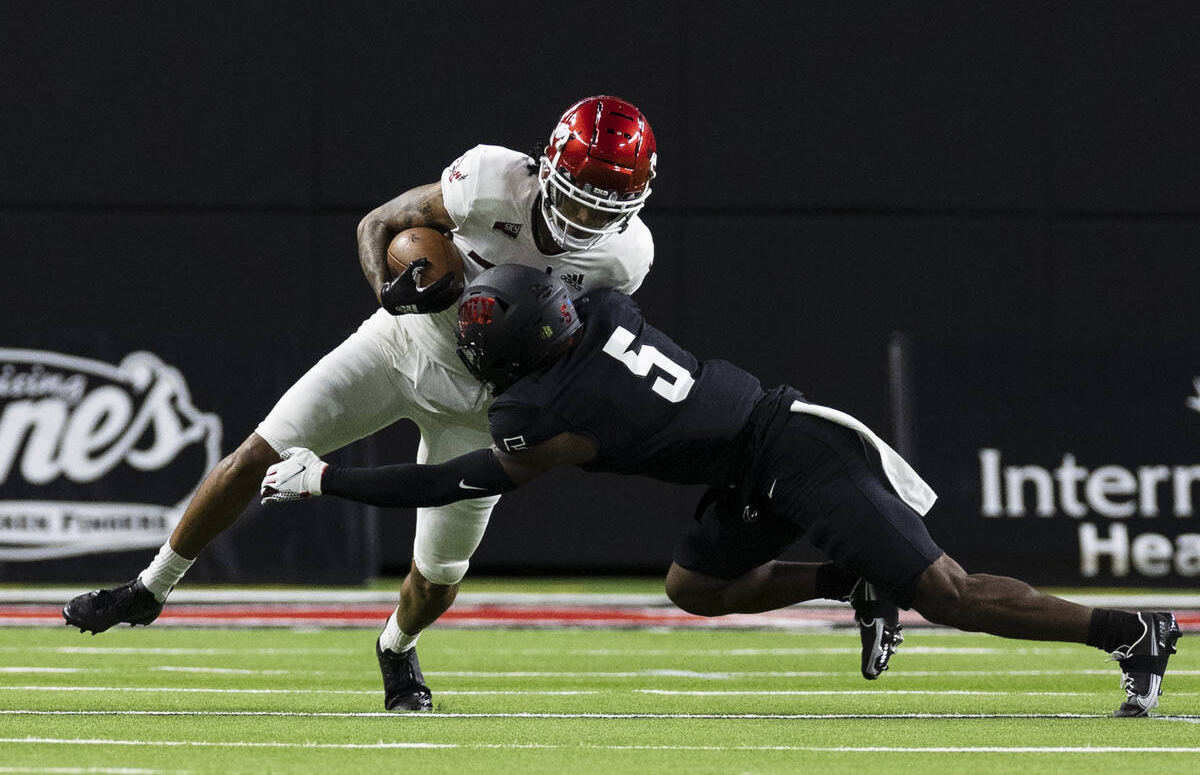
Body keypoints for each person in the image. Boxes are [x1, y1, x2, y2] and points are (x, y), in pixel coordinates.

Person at [260, 264, 1183, 718]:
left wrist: (332, 477)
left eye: (483, 352)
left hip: (802, 454)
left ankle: (1130, 632)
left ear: (522, 357)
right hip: (754, 459)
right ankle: (846, 581)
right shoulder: (601, 312)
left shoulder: (548, 408)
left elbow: (457, 476)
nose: (472, 361)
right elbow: (527, 310)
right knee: (694, 588)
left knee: (948, 594)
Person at [62, 95, 664, 712]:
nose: (584, 219)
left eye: (605, 209)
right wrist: (392, 292)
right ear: (548, 169)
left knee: (439, 579)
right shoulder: (489, 181)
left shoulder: (625, 256)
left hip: (486, 405)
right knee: (254, 456)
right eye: (573, 197)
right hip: (399, 346)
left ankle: (396, 646)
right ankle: (149, 588)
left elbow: (577, 349)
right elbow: (377, 224)